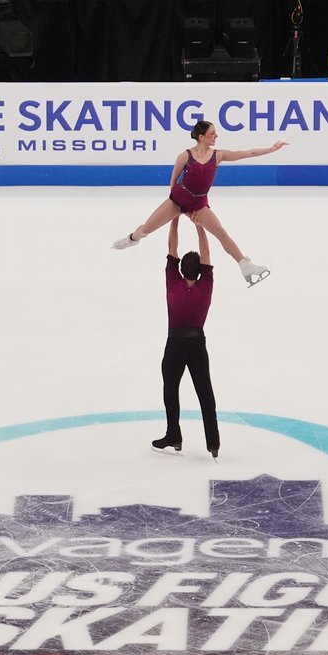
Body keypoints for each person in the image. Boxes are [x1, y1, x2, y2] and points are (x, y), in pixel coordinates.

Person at [110, 119, 282, 288]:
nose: (216, 136)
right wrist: (177, 208)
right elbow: (174, 181)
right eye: (212, 133)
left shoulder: (218, 155)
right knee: (146, 228)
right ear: (201, 137)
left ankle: (245, 266)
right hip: (177, 200)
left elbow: (248, 153)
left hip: (199, 204)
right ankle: (132, 238)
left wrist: (272, 149)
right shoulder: (185, 156)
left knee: (222, 233)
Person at [151, 215, 220, 459]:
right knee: (205, 392)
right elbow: (207, 252)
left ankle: (174, 435)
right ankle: (213, 443)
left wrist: (174, 220)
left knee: (171, 389)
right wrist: (200, 226)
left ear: (180, 269)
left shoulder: (173, 282)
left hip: (175, 344)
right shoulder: (206, 285)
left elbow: (172, 247)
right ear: (201, 270)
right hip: (197, 343)